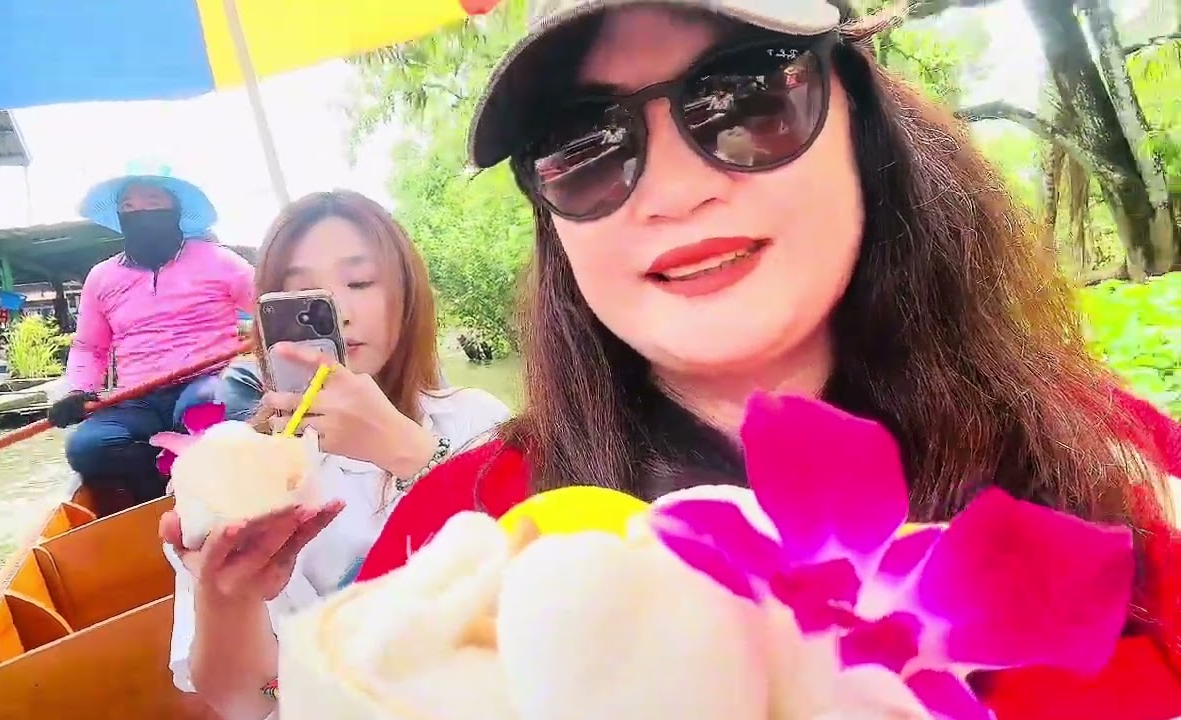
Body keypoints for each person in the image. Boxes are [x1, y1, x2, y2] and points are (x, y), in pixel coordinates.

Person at [346, 2, 1181, 719]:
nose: (675, 192)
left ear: (860, 116)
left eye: (746, 96)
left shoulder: (1120, 467)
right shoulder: (455, 543)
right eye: (585, 143)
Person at [159, 190, 511, 719]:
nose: (340, 313)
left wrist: (413, 455)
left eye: (361, 282)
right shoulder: (239, 472)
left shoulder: (478, 422)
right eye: (303, 295)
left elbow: (548, 602)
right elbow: (257, 701)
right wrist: (227, 598)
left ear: (407, 295)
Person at [47, 175, 255, 515]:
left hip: (206, 382)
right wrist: (78, 391)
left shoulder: (219, 261)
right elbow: (89, 348)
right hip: (136, 399)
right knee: (85, 447)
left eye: (153, 204)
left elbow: (269, 306)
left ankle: (200, 484)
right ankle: (159, 490)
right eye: (129, 207)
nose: (140, 213)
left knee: (206, 407)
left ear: (176, 211)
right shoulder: (101, 277)